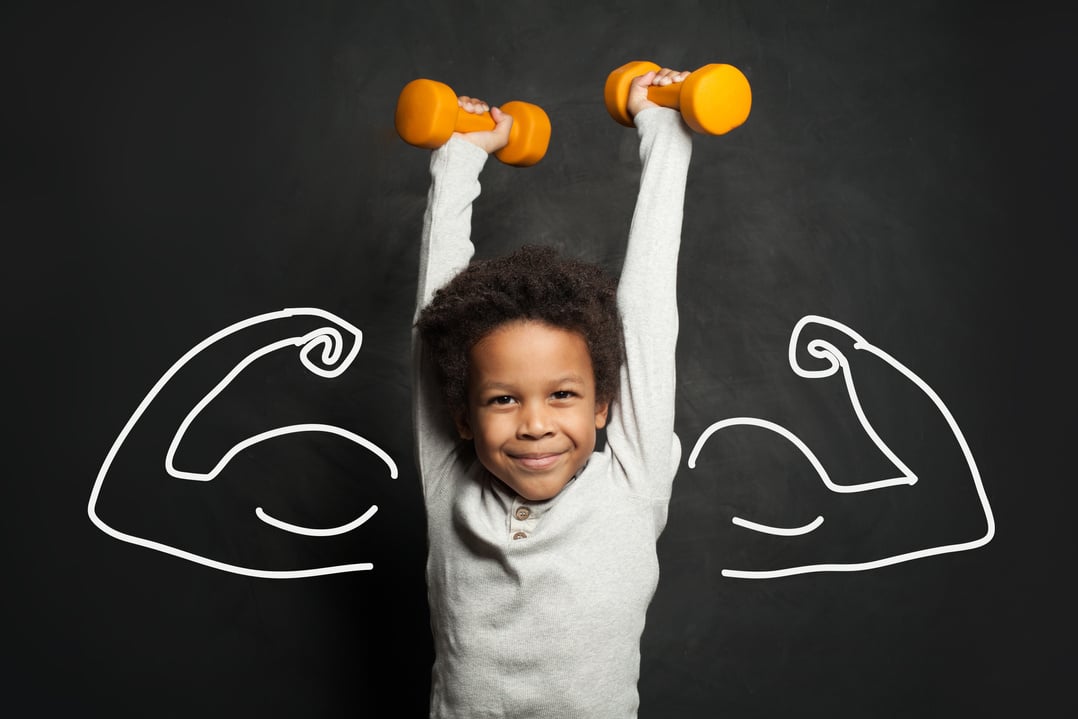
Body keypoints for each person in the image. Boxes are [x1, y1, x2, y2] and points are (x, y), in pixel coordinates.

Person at [411, 67, 694, 718]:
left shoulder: (630, 479)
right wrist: (458, 156)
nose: (535, 423)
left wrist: (663, 127)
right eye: (503, 399)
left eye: (563, 395)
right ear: (463, 416)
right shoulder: (450, 488)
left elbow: (650, 315)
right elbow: (434, 332)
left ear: (603, 406)